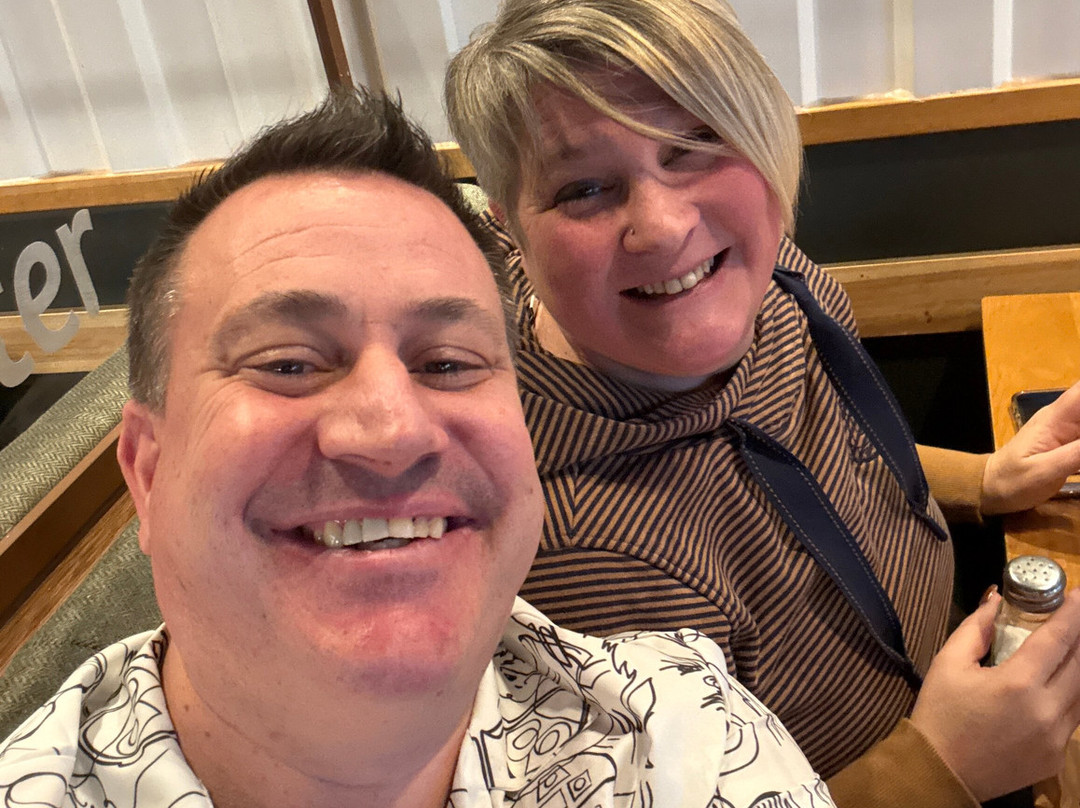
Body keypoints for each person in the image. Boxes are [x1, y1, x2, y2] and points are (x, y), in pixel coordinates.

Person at [0, 88, 834, 808]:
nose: (393, 430)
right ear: (147, 471)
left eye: (447, 364)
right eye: (288, 364)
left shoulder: (689, 736)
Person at [443, 1, 1080, 805]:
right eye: (585, 189)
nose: (663, 226)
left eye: (694, 145)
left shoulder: (770, 280)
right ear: (507, 226)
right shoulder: (584, 552)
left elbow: (818, 454)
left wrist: (981, 479)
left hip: (963, 673)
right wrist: (941, 766)